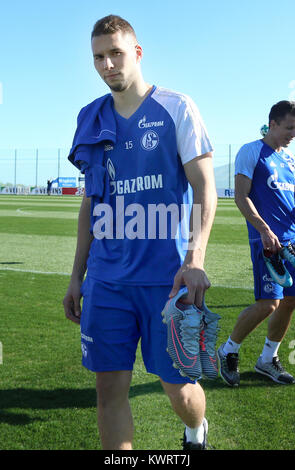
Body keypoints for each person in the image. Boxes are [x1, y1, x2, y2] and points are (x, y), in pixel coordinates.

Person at [63, 15, 217, 450]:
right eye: (98, 57)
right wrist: (78, 275)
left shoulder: (176, 107)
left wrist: (194, 259)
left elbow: (206, 189)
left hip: (166, 281)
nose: (108, 64)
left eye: (116, 53)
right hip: (107, 281)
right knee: (108, 392)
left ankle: (195, 430)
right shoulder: (89, 118)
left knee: (180, 391)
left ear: (137, 52)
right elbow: (91, 202)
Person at [218, 100, 295, 387]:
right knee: (269, 304)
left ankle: (267, 359)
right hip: (266, 242)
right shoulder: (251, 151)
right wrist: (263, 229)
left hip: (292, 241)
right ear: (273, 123)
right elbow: (242, 196)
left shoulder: (288, 160)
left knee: (290, 301)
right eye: (289, 127)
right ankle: (228, 350)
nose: (293, 134)